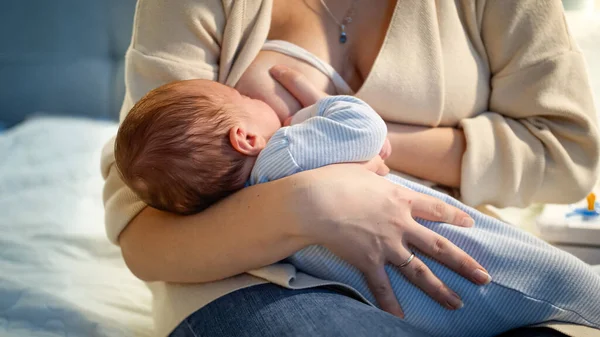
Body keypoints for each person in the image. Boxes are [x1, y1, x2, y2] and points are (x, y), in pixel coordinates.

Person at [101, 0, 600, 336]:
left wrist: (356, 149)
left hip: (446, 262)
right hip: (261, 281)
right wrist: (309, 203)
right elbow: (144, 233)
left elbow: (566, 154)